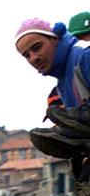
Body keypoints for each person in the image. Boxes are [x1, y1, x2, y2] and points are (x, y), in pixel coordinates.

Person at [16, 20, 90, 168]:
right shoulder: (62, 79)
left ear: (54, 39)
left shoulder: (84, 55)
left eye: (37, 48)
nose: (33, 58)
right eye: (27, 55)